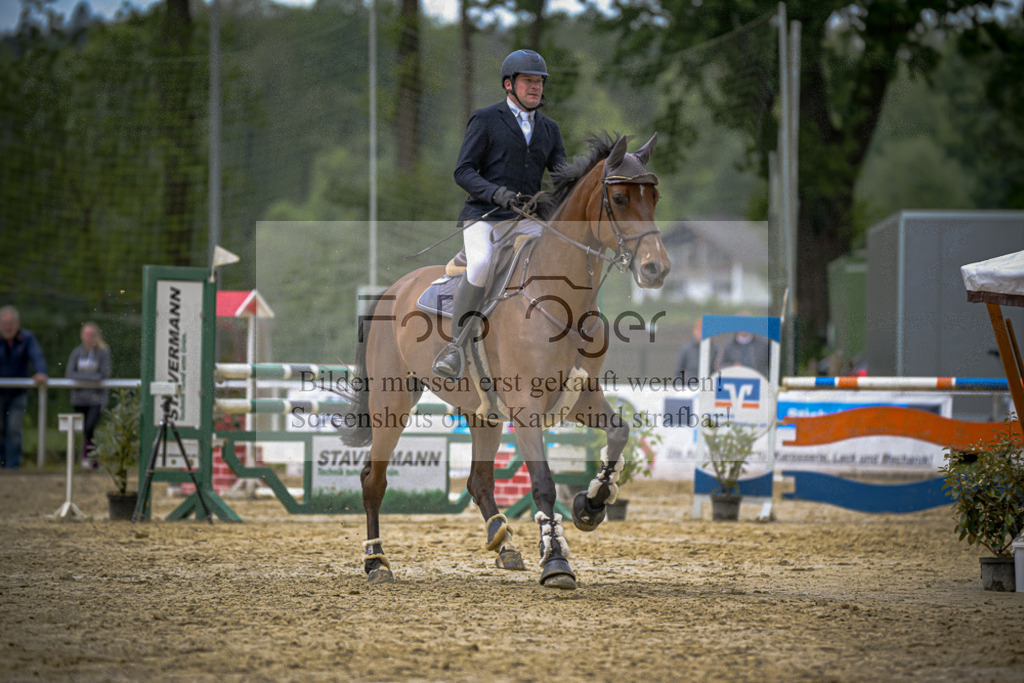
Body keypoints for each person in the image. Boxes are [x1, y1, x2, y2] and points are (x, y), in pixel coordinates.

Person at [432, 49, 567, 380]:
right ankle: (455, 347)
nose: (535, 87)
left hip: (527, 221)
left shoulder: (549, 129)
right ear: (509, 84)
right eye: (528, 81)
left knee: (561, 259)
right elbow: (463, 171)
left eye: (539, 82)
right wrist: (495, 192)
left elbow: (563, 178)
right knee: (481, 264)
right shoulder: (486, 119)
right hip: (485, 216)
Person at [0, 306, 48, 469]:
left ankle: (13, 467)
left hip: (17, 393)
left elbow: (37, 356)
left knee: (13, 428)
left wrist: (41, 372)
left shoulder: (27, 338)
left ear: (17, 324)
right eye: (4, 323)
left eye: (10, 323)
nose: (7, 327)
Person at [66, 322, 111, 468]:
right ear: (81, 336)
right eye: (86, 334)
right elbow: (70, 373)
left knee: (89, 427)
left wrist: (82, 378)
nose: (89, 337)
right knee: (85, 430)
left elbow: (104, 374)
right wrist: (92, 378)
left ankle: (87, 457)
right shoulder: (76, 352)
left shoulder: (103, 352)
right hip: (79, 399)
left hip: (96, 399)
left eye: (91, 334)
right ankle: (92, 458)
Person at [674, 317, 702, 382]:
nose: (701, 333)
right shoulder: (686, 349)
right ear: (694, 331)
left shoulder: (714, 350)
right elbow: (678, 372)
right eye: (699, 330)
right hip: (688, 386)